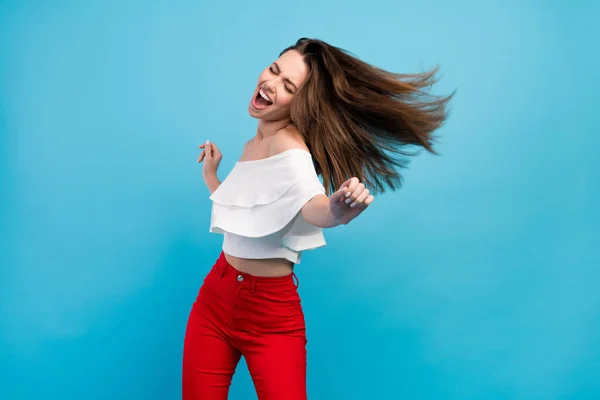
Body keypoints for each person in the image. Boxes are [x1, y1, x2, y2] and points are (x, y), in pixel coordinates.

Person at [182, 37, 452, 400]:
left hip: (269, 315)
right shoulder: (253, 144)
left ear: (301, 103)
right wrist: (212, 177)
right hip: (215, 297)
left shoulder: (290, 149)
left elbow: (312, 206)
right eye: (274, 70)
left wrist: (337, 212)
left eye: (288, 86)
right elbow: (250, 214)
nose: (270, 83)